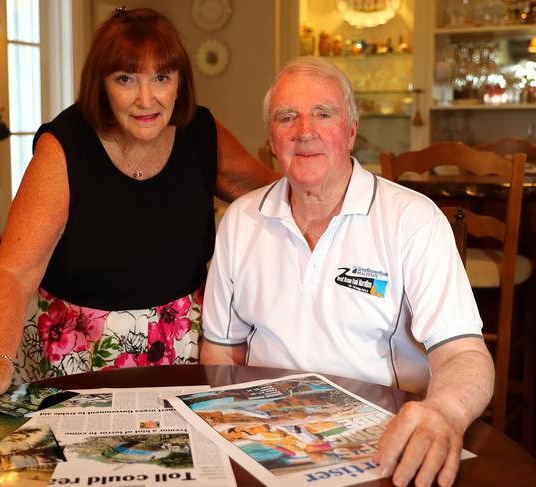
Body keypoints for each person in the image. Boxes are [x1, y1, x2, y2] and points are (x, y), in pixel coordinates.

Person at [0, 8, 277, 416]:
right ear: (100, 85)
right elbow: (14, 272)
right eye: (125, 79)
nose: (146, 99)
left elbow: (272, 195)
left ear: (179, 84)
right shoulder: (64, 147)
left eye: (161, 78)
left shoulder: (201, 133)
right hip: (76, 358)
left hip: (184, 351)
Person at [201, 57, 494, 487]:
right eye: (288, 117)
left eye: (324, 113)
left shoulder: (412, 218)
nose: (305, 131)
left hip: (379, 440)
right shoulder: (242, 220)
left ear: (352, 130)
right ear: (271, 138)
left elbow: (464, 355)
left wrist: (445, 412)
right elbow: (221, 353)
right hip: (265, 436)